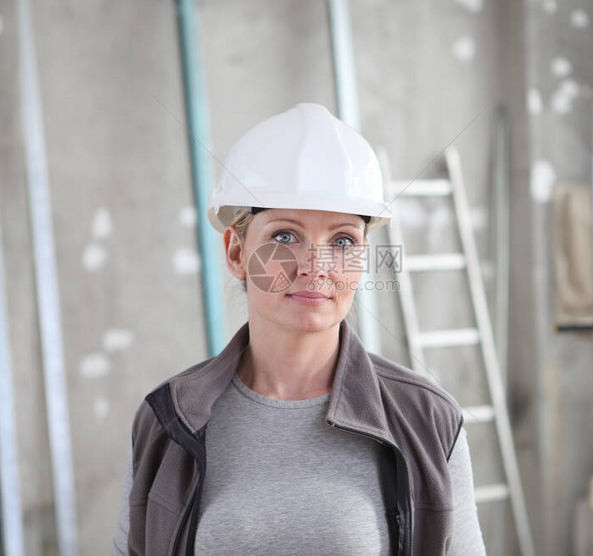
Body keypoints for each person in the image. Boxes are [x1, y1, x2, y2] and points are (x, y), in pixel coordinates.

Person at [112, 102, 486, 555]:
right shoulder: (167, 418)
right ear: (235, 252)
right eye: (285, 236)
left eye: (343, 240)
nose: (316, 266)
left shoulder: (427, 420)